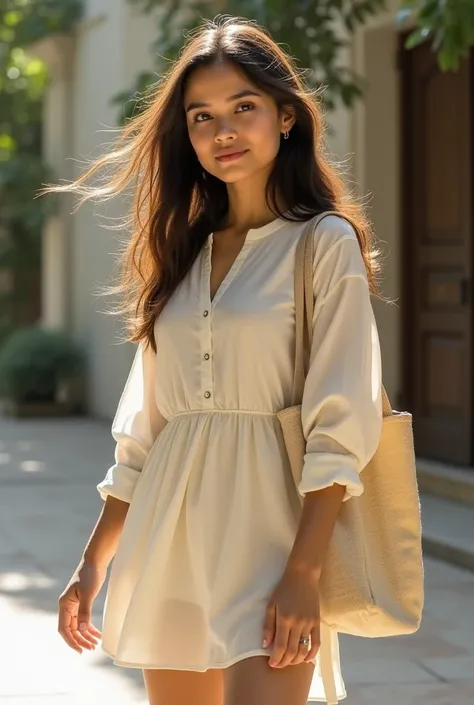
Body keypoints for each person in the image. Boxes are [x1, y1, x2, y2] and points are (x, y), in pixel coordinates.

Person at [51, 16, 383, 705]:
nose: (222, 131)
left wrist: (304, 572)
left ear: (285, 116)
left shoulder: (323, 243)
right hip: (171, 535)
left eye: (243, 108)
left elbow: (339, 421)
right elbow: (147, 429)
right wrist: (92, 562)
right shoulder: (181, 255)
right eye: (202, 117)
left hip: (273, 535)